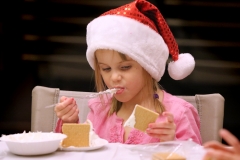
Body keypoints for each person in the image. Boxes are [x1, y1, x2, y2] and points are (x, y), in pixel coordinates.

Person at [54, 0, 202, 145]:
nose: (114, 77)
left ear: (148, 66)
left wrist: (172, 143)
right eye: (106, 69)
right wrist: (69, 122)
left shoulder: (179, 113)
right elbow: (77, 152)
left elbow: (196, 155)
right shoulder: (100, 108)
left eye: (125, 67)